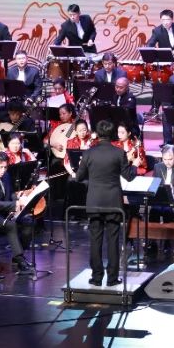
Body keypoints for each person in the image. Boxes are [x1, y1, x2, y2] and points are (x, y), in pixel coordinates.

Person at [71, 119, 136, 286]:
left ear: (97, 134)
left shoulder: (88, 153)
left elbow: (78, 178)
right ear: (112, 134)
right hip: (113, 202)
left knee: (95, 239)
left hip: (94, 201)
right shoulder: (119, 153)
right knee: (113, 240)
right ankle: (112, 278)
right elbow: (129, 176)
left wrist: (81, 166)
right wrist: (134, 164)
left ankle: (96, 277)